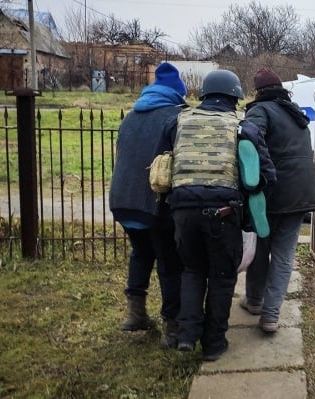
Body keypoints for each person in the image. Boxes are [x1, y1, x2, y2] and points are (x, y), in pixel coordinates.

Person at [153, 69, 276, 361]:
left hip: (181, 212)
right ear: (235, 97)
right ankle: (214, 344)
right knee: (221, 278)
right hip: (223, 213)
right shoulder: (243, 127)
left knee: (192, 271)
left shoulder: (178, 121)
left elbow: (161, 166)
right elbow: (266, 176)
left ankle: (186, 336)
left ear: (204, 95)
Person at [109, 62, 186, 348]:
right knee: (169, 262)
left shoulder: (130, 116)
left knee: (141, 251)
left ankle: (136, 313)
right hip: (154, 204)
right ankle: (172, 328)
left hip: (122, 201)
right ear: (177, 92)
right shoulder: (175, 116)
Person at [241, 67, 315, 333]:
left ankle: (254, 301)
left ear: (259, 91)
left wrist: (256, 174)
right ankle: (271, 316)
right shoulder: (294, 112)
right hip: (302, 192)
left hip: (272, 192)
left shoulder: (260, 110)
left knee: (261, 248)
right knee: (284, 257)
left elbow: (248, 136)